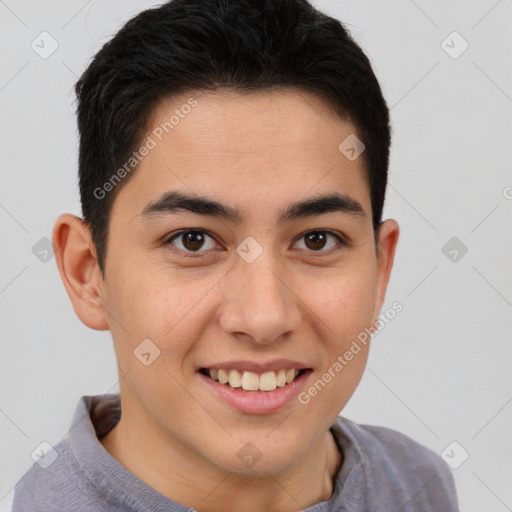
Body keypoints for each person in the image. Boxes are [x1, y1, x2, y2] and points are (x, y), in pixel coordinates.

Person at [12, 0, 459, 510]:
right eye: (193, 240)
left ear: (380, 271)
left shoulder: (419, 484)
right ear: (87, 273)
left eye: (317, 240)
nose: (264, 317)